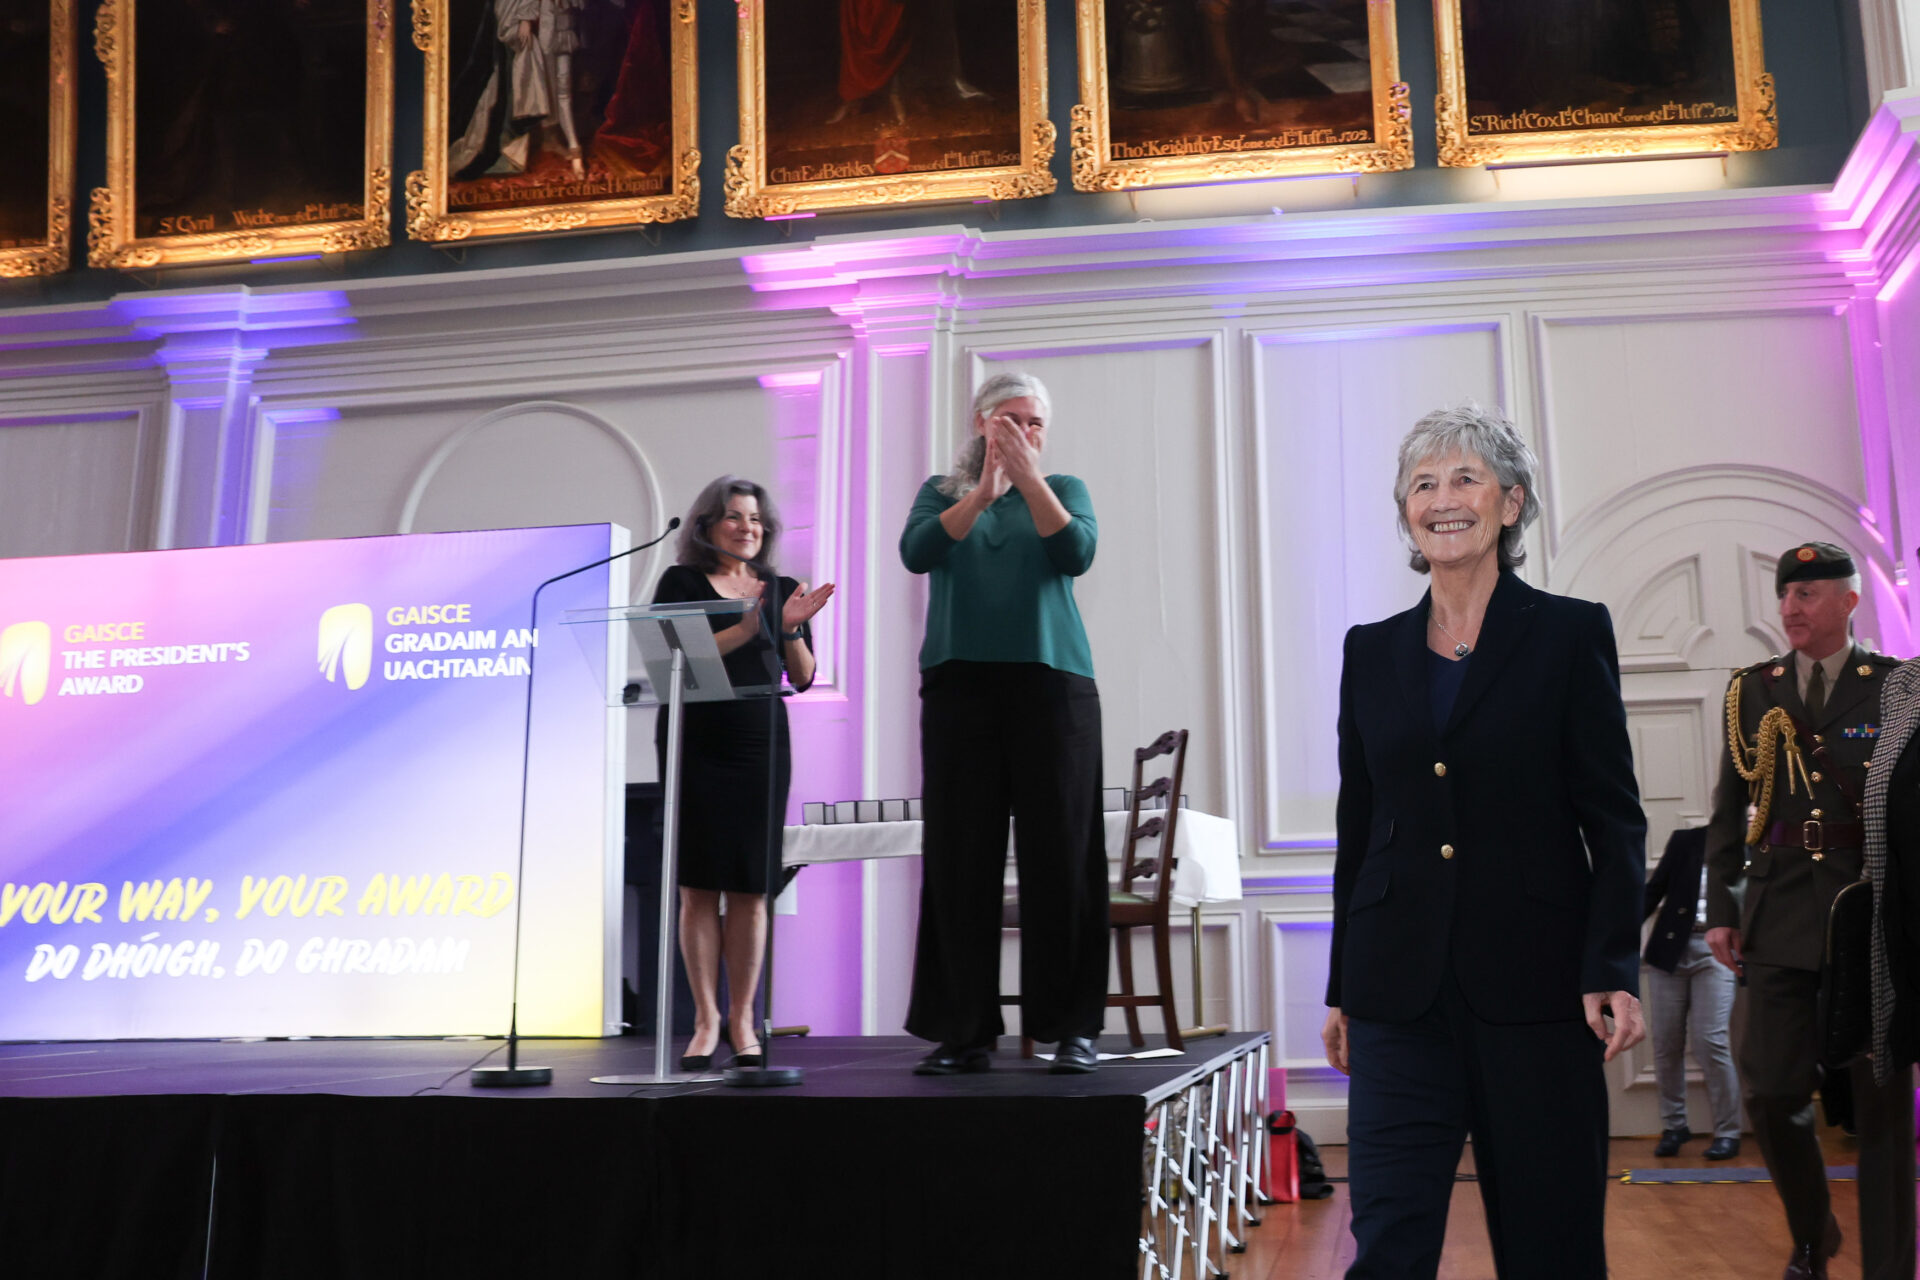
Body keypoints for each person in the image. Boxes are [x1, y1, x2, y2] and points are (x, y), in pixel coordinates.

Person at [1320, 402, 1646, 1280]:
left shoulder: (1570, 633)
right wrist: (1344, 984)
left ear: (1511, 503)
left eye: (1466, 478)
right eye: (1423, 484)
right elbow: (1361, 826)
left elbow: (1614, 817)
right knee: (1387, 1245)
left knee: (1552, 1247)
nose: (1443, 499)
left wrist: (1611, 964)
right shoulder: (1368, 651)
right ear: (1406, 512)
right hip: (1397, 995)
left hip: (1538, 991)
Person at [1705, 542, 1910, 1280]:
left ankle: (1891, 1267)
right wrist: (1722, 906)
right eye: (1786, 594)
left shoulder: (1895, 688)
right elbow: (1728, 810)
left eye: (1809, 593)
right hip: (1780, 906)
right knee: (1769, 1089)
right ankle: (1813, 1235)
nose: (1790, 607)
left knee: (1881, 1102)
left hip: (1871, 912)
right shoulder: (1752, 691)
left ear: (1849, 601)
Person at [900, 371, 1108, 1077]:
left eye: (1034, 422)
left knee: (1063, 856)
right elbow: (917, 553)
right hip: (959, 687)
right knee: (960, 858)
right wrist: (984, 492)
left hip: (1053, 684)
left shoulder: (1065, 488)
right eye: (1010, 420)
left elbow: (1076, 553)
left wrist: (1027, 480)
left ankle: (1072, 1029)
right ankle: (963, 1033)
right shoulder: (942, 492)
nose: (1024, 431)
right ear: (981, 424)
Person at [651, 477, 834, 1071]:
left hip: (760, 742)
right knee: (699, 884)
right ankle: (705, 1020)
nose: (747, 527)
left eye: (755, 519)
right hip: (697, 739)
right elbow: (674, 663)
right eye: (734, 516)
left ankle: (742, 1019)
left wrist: (788, 627)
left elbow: (802, 677)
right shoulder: (681, 583)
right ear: (707, 525)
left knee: (753, 886)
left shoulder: (779, 588)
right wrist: (749, 627)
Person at [1641, 824, 1741, 1160]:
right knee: (1666, 1042)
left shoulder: (1759, 845)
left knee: (1710, 1040)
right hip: (1670, 950)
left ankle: (1728, 1132)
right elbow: (1655, 890)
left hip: (1719, 953)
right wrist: (1613, 937)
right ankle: (1674, 1126)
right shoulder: (1688, 840)